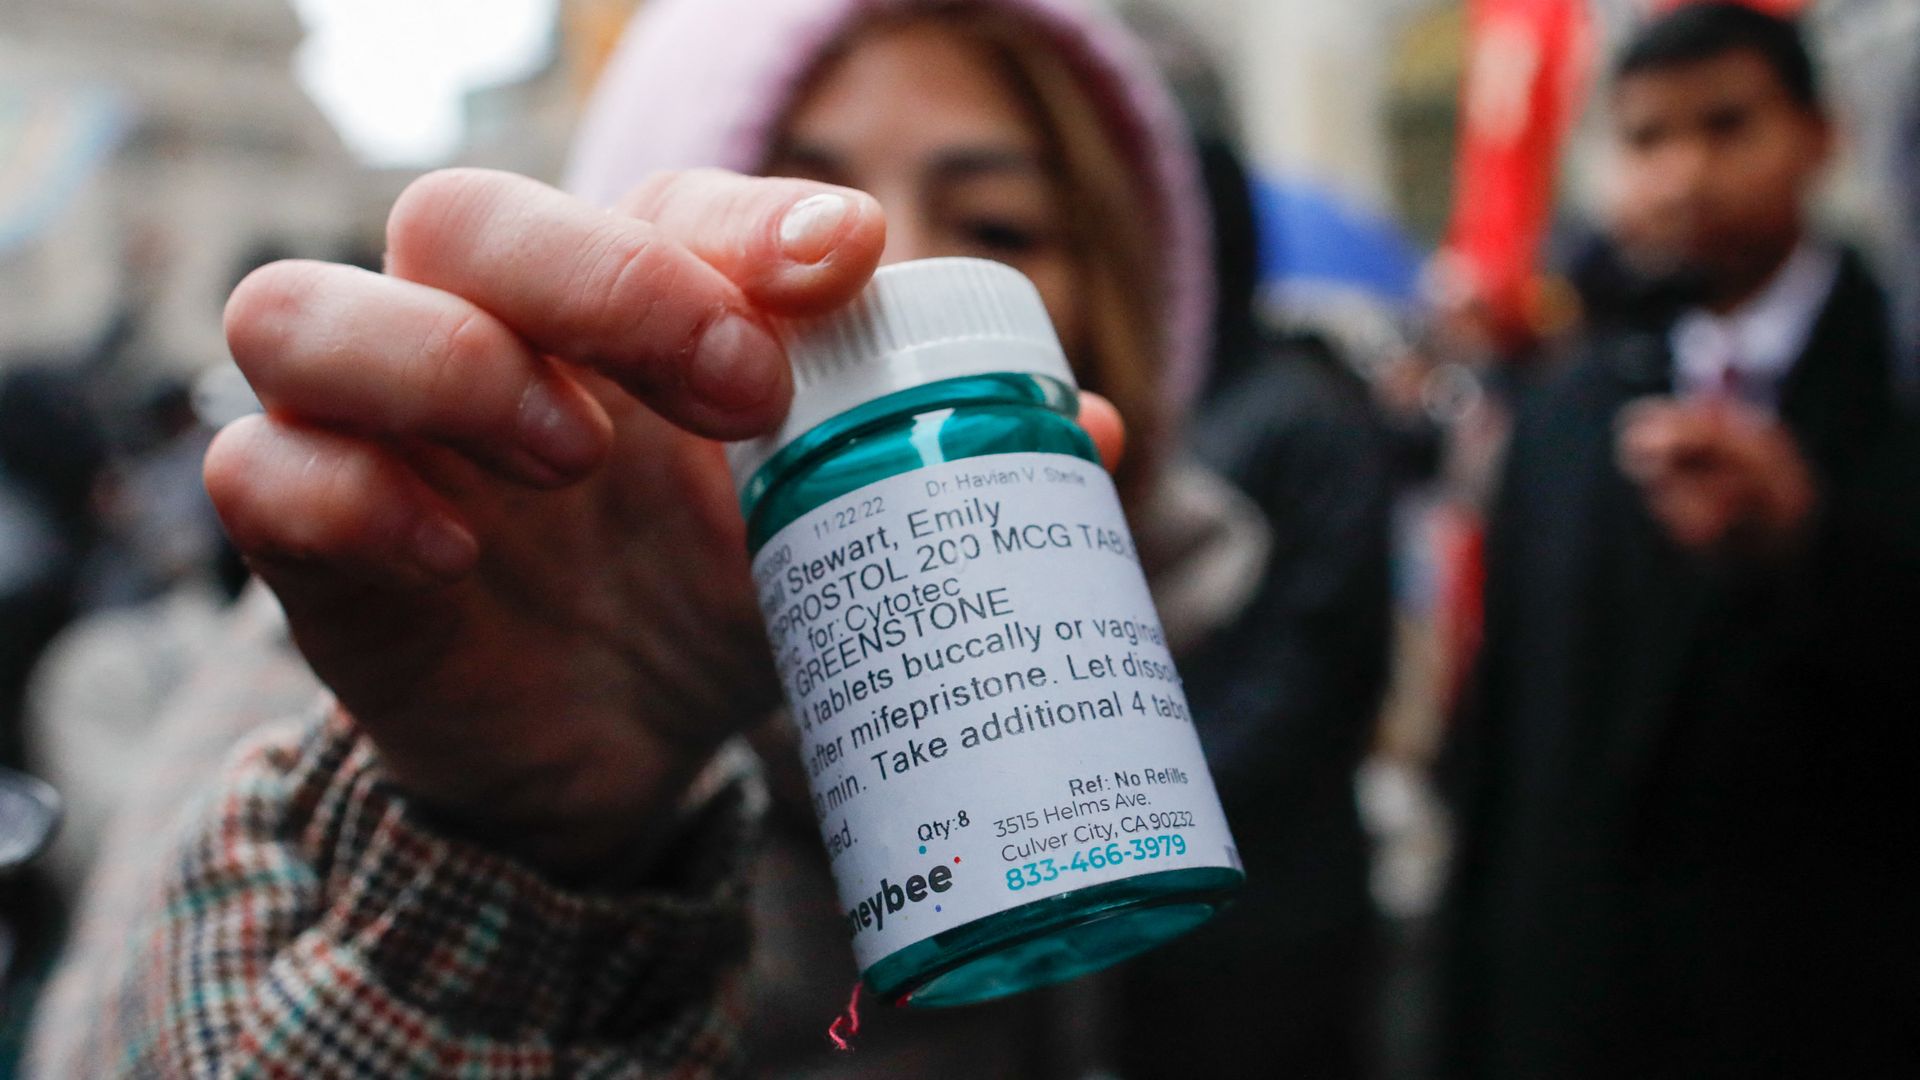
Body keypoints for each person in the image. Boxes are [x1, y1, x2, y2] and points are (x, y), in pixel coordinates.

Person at [30, 0, 1373, 1075]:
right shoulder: (422, 617)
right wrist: (508, 842)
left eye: (1001, 223)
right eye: (793, 199)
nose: (884, 263)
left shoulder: (1182, 616)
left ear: (1117, 299)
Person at [1439, 6, 1920, 1077]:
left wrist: (1809, 545)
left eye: (1727, 125)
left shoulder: (1892, 382)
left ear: (1819, 135)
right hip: (1579, 1005)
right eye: (1648, 138)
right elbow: (1504, 735)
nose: (1685, 173)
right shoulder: (1568, 407)